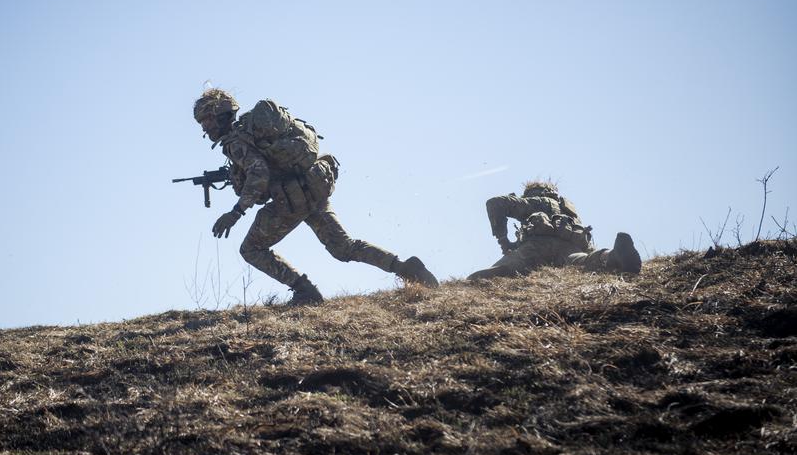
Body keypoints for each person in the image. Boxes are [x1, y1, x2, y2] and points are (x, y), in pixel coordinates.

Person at [193, 87, 439, 306]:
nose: (205, 128)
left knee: (251, 249)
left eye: (206, 120)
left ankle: (304, 291)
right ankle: (405, 268)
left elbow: (259, 173)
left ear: (220, 116)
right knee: (344, 247)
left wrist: (235, 213)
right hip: (312, 187)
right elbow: (264, 169)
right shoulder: (253, 129)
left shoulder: (236, 142)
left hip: (290, 201)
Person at [468, 180, 641, 280]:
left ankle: (457, 288)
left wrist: (503, 241)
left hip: (535, 247)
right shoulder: (569, 212)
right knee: (581, 261)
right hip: (569, 246)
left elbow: (494, 203)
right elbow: (587, 245)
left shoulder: (536, 201)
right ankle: (614, 256)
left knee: (493, 274)